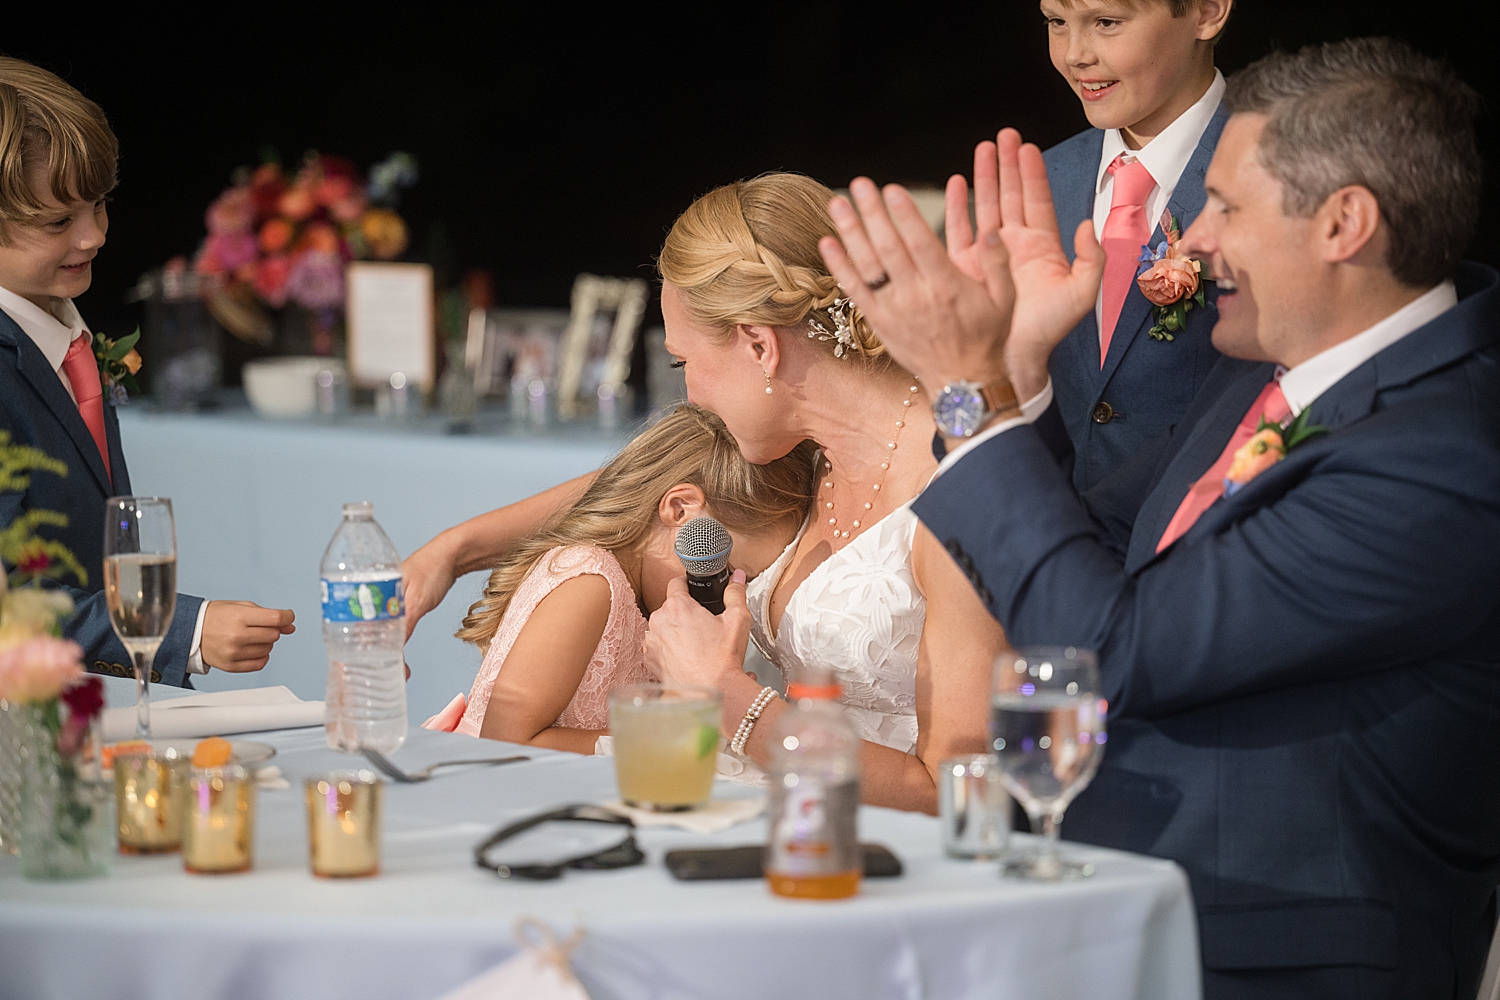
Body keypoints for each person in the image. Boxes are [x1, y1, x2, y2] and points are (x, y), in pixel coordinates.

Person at [819, 37, 1497, 1000]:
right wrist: (1008, 380)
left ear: (1344, 223)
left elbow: (1110, 648)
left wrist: (956, 385)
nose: (1195, 240)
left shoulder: (1444, 460)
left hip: (1267, 952)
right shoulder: (1267, 376)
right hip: (1125, 903)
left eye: (1223, 206)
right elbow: (1076, 548)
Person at [407, 174, 1014, 813]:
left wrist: (728, 700)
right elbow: (638, 484)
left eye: (684, 362)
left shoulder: (956, 484)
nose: (690, 393)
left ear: (760, 345)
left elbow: (956, 793)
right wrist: (455, 549)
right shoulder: (814, 451)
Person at [0, 57, 295, 687]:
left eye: (99, 205)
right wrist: (177, 629)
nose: (94, 236)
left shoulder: (62, 332)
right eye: (58, 221)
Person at [423, 404, 816, 754]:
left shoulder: (644, 604)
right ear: (680, 509)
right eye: (720, 570)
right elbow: (507, 741)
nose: (723, 596)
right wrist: (670, 731)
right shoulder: (588, 580)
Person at [1027, 0, 1233, 491]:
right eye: (1056, 22)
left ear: (1206, 12)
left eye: (1106, 23)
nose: (1074, 54)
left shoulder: (1277, 170)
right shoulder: (1041, 182)